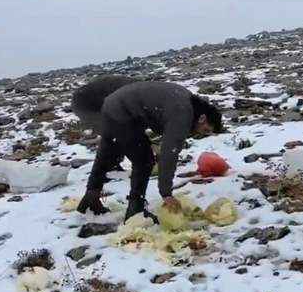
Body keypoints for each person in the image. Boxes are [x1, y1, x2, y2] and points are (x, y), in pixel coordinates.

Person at [76, 81, 223, 220]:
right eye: (205, 130)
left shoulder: (188, 102)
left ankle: (90, 199)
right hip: (122, 111)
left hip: (113, 105)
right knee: (144, 160)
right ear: (202, 118)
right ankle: (136, 211)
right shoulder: (183, 113)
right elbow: (169, 153)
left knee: (108, 152)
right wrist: (166, 194)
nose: (202, 133)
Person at [71, 74, 138, 174]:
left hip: (95, 101)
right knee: (115, 135)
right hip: (86, 105)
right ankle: (107, 168)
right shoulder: (136, 92)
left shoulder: (140, 89)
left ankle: (113, 164)